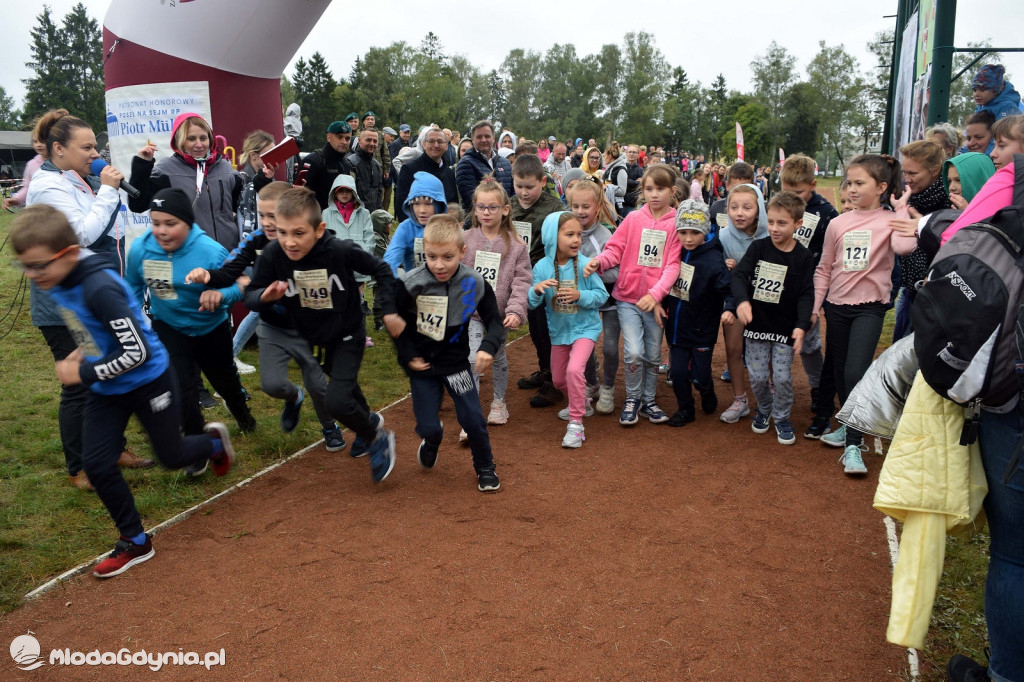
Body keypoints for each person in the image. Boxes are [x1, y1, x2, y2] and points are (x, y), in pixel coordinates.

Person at [10, 204, 236, 578]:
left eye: (38, 266)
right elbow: (100, 331)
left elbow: (137, 351)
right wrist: (86, 354)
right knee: (96, 464)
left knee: (173, 456)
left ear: (66, 255)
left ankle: (213, 443)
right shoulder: (62, 277)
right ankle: (135, 540)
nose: (33, 275)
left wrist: (81, 371)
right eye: (26, 267)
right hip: (108, 384)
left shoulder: (98, 287)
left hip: (148, 379)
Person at [26, 109, 150, 489]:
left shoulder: (76, 179)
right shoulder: (48, 186)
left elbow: (115, 222)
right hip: (62, 303)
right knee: (78, 383)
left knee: (109, 371)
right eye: (88, 147)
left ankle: (113, 448)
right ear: (59, 149)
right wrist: (109, 190)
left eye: (95, 145)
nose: (95, 153)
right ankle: (79, 467)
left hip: (92, 294)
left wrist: (124, 182)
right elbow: (78, 235)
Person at [245, 187, 401, 482]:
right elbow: (250, 294)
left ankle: (377, 437)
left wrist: (389, 311)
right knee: (347, 391)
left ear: (319, 229)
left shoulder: (339, 250)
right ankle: (369, 422)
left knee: (336, 401)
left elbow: (381, 269)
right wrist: (264, 296)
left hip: (347, 333)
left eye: (298, 233)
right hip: (314, 339)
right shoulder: (273, 254)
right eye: (282, 232)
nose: (289, 242)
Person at [186, 182, 347, 451]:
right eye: (263, 215)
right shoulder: (256, 240)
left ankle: (330, 427)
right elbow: (230, 270)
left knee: (318, 384)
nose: (268, 223)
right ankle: (294, 396)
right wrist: (209, 276)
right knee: (271, 384)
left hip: (308, 327)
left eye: (274, 215)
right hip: (273, 325)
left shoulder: (311, 242)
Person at [125, 189, 256, 477]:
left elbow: (240, 285)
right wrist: (137, 321)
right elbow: (132, 288)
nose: (161, 231)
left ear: (187, 222)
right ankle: (197, 445)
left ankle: (243, 416)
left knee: (225, 382)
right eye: (155, 222)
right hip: (168, 328)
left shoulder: (210, 251)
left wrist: (219, 296)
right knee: (180, 387)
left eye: (170, 223)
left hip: (210, 328)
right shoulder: (140, 249)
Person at [813, 154, 918, 474]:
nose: (852, 189)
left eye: (860, 183)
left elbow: (904, 248)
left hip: (870, 308)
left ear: (882, 187)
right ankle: (849, 425)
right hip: (837, 307)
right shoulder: (837, 223)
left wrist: (900, 209)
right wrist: (816, 307)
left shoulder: (890, 220)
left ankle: (853, 446)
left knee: (856, 371)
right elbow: (824, 268)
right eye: (849, 183)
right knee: (842, 371)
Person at [392, 214, 502, 492]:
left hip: (455, 365)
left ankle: (485, 467)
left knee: (474, 420)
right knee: (428, 426)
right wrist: (407, 355)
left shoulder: (474, 283)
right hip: (423, 368)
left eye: (448, 257)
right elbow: (396, 325)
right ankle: (432, 439)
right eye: (432, 256)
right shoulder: (410, 284)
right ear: (423, 252)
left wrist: (488, 347)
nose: (439, 265)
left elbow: (495, 321)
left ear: (463, 252)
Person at [585, 165, 680, 426]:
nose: (654, 194)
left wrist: (657, 293)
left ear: (672, 191)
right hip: (627, 299)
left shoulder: (675, 224)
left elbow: (673, 265)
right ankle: (632, 398)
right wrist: (600, 262)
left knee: (651, 354)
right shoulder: (634, 218)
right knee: (634, 352)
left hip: (656, 303)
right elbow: (615, 249)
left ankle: (648, 401)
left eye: (660, 189)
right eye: (649, 189)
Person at [730, 192, 815, 446]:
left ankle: (782, 417)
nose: (775, 228)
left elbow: (805, 294)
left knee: (782, 377)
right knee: (756, 377)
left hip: (784, 329)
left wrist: (801, 326)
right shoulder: (759, 247)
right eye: (772, 222)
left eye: (782, 223)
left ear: (798, 224)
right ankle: (764, 408)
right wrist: (742, 301)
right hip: (757, 326)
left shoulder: (804, 257)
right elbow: (739, 276)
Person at [529, 212, 608, 448]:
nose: (576, 240)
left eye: (579, 235)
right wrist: (536, 290)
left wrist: (580, 295)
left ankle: (576, 424)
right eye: (569, 234)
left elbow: (602, 296)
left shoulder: (584, 265)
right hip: (559, 332)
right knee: (558, 378)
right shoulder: (542, 267)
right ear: (552, 237)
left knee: (575, 370)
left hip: (585, 328)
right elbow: (531, 304)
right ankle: (581, 401)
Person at [655, 199, 733, 427]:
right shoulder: (674, 253)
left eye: (694, 233)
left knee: (699, 374)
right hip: (677, 328)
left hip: (702, 329)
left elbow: (728, 289)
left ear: (705, 231)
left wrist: (729, 308)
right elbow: (661, 280)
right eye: (683, 232)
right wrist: (659, 301)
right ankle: (685, 408)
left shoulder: (714, 260)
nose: (688, 238)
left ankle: (706, 390)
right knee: (678, 372)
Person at [778, 154, 840, 439]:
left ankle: (818, 388)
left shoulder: (826, 213)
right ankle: (773, 389)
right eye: (787, 191)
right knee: (774, 334)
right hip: (779, 283)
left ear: (813, 185)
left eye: (799, 192)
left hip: (810, 286)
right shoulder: (777, 205)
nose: (792, 197)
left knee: (809, 342)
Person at [462, 178, 531, 429]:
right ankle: (471, 414)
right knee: (472, 360)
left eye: (492, 207)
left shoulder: (517, 246)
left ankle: (499, 403)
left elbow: (522, 282)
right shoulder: (465, 239)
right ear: (474, 209)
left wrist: (515, 310)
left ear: (505, 209)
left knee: (498, 357)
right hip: (471, 314)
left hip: (499, 317)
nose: (486, 212)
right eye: (481, 207)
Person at [129, 112, 244, 251]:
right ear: (180, 141)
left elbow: (243, 206)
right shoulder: (167, 171)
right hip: (190, 255)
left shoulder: (225, 168)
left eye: (203, 138)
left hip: (226, 255)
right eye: (191, 139)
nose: (199, 144)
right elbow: (137, 204)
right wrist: (143, 164)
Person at [510, 154, 566, 408]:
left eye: (529, 187)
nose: (523, 192)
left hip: (548, 280)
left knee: (548, 329)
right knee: (534, 328)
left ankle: (556, 382)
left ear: (543, 181)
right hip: (522, 281)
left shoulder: (555, 208)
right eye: (519, 186)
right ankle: (545, 370)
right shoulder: (508, 206)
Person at [716, 184, 769, 424]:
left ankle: (771, 398)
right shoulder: (723, 235)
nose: (740, 213)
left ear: (758, 210)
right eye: (734, 207)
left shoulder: (771, 235)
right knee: (734, 348)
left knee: (767, 351)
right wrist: (722, 265)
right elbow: (714, 268)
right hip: (736, 300)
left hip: (766, 302)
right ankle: (740, 399)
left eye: (747, 207)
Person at [570, 178, 621, 416]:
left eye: (586, 207)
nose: (580, 212)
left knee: (610, 347)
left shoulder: (607, 235)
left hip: (610, 300)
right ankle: (592, 383)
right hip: (582, 301)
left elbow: (618, 272)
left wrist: (593, 270)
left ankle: (608, 386)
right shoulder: (567, 232)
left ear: (597, 208)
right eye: (575, 206)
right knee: (584, 348)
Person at [892, 139, 950, 342]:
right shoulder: (908, 197)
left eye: (913, 173)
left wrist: (925, 227)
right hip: (909, 287)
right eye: (904, 173)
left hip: (935, 291)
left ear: (934, 171)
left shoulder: (948, 200)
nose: (907, 179)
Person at [323, 172, 376, 347]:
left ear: (354, 192)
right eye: (340, 191)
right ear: (334, 193)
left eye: (348, 190)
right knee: (338, 302)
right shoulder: (326, 213)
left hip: (358, 264)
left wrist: (363, 257)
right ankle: (340, 334)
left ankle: (360, 335)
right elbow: (322, 238)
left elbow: (369, 237)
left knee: (358, 302)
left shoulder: (364, 213)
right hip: (336, 266)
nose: (344, 194)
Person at [384, 172, 447, 276]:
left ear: (439, 204)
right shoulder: (405, 228)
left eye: (428, 204)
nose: (422, 210)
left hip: (444, 287)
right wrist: (391, 285)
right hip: (414, 287)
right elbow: (391, 259)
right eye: (416, 204)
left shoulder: (448, 227)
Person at [394, 127, 458, 221]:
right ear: (424, 144)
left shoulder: (449, 173)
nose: (436, 145)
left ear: (446, 146)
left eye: (440, 142)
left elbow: (453, 204)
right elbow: (402, 205)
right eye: (431, 141)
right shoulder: (409, 169)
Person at [455, 120, 513, 213]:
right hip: (479, 221)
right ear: (472, 139)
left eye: (487, 136)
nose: (483, 140)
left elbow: (512, 195)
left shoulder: (505, 163)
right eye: (479, 137)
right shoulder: (465, 163)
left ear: (493, 138)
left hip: (505, 220)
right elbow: (470, 200)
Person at [300, 121, 354, 210]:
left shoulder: (348, 164)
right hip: (318, 218)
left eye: (347, 138)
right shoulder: (313, 161)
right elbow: (300, 197)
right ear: (328, 137)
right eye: (339, 137)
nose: (344, 142)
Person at [3, 132, 46, 210]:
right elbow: (27, 188)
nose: (39, 145)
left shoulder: (63, 162)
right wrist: (16, 200)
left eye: (42, 141)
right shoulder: (31, 164)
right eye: (35, 141)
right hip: (38, 212)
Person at [347, 129, 384, 213]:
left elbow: (379, 193)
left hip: (372, 216)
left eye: (375, 141)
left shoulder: (376, 165)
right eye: (368, 140)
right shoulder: (351, 163)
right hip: (355, 216)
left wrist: (380, 214)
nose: (372, 143)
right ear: (359, 141)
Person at [622, 145, 643, 217]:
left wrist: (629, 182)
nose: (631, 154)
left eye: (634, 152)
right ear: (626, 153)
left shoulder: (640, 170)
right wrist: (636, 182)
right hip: (620, 202)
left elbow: (641, 185)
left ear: (638, 154)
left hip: (632, 203)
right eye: (630, 152)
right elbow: (623, 182)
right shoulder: (621, 167)